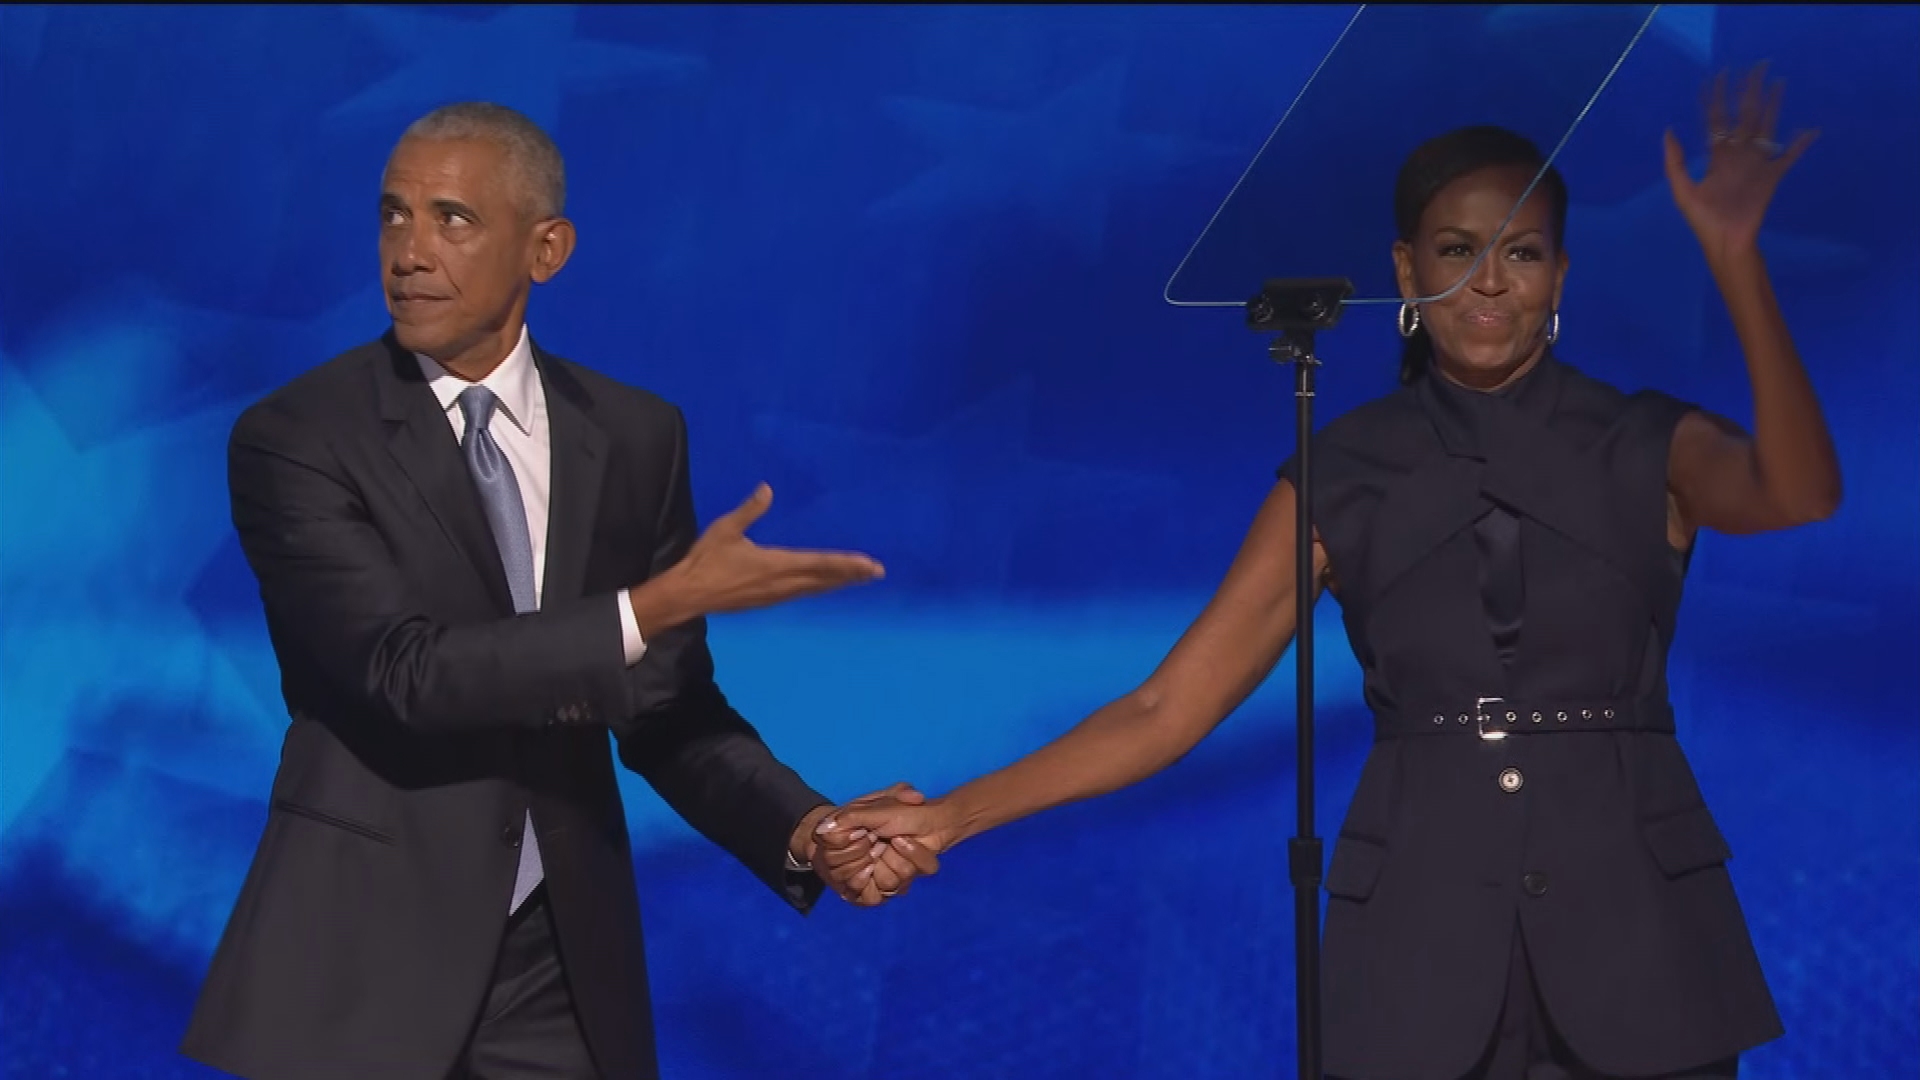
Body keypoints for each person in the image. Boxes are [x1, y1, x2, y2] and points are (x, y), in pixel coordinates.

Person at [823, 68, 1839, 1079]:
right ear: (1406, 271)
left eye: (1520, 253)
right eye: (1457, 251)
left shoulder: (1645, 442)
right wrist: (950, 816)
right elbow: (1166, 709)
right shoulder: (1343, 470)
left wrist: (1737, 261)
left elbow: (1799, 492)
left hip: (1638, 951)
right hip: (1420, 959)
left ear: (1560, 276)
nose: (1489, 281)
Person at [180, 102, 937, 1080]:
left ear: (547, 249)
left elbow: (663, 708)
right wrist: (653, 604)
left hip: (559, 969)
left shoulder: (633, 435)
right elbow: (405, 675)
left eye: (452, 218)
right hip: (360, 965)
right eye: (392, 216)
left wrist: (807, 830)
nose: (409, 252)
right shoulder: (299, 437)